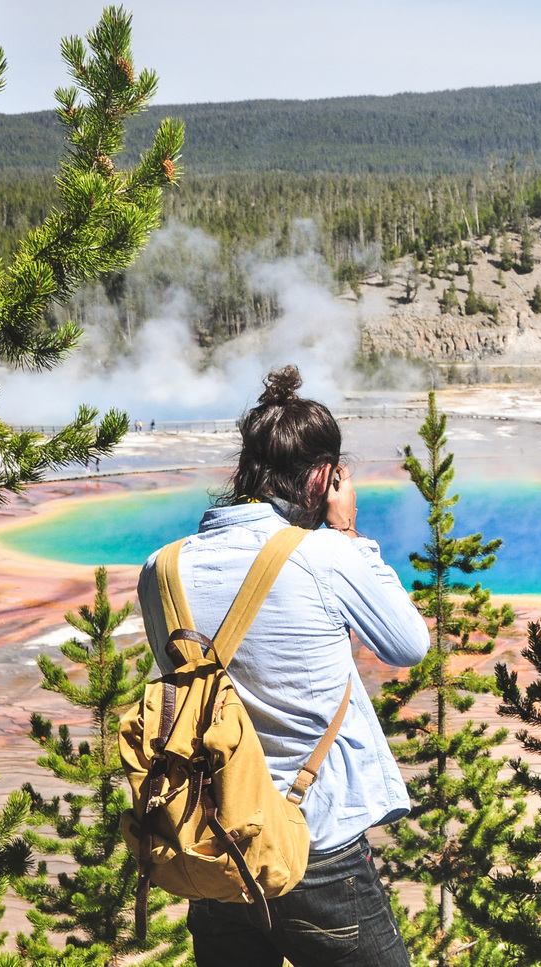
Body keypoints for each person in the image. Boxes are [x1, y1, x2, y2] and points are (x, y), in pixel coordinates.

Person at [137, 365, 427, 967]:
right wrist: (348, 532)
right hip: (313, 843)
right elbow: (407, 644)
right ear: (324, 475)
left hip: (212, 845)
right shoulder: (324, 555)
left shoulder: (160, 569)